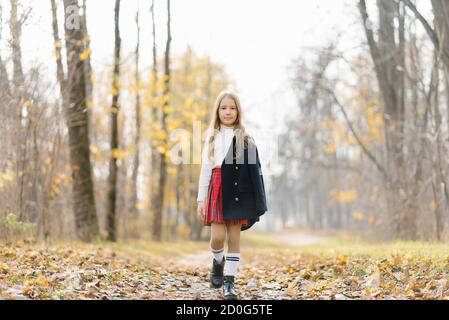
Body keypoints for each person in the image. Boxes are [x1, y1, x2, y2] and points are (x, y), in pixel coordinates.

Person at [196, 90, 268, 300]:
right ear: (217, 111)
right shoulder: (211, 138)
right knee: (217, 238)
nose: (228, 112)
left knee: (234, 238)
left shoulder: (245, 139)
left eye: (232, 108)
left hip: (238, 191)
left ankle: (230, 283)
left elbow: (255, 172)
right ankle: (218, 262)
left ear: (238, 111)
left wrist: (256, 199)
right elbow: (205, 170)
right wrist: (201, 199)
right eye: (223, 108)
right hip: (217, 187)